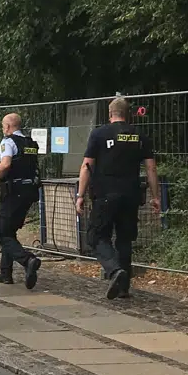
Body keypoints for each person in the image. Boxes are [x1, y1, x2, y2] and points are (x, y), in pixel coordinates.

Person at [76, 97, 161, 299]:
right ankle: (123, 287)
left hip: (105, 194)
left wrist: (80, 195)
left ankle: (114, 270)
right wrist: (155, 196)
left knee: (96, 236)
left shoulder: (99, 134)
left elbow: (86, 166)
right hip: (131, 195)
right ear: (128, 114)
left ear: (110, 114)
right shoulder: (140, 135)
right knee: (125, 238)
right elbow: (151, 168)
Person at [0, 113, 44, 289]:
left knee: (0, 232)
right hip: (29, 191)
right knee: (9, 231)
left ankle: (28, 260)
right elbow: (16, 164)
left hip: (14, 192)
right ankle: (5, 273)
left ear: (7, 127)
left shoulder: (7, 141)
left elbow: (6, 164)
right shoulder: (29, 143)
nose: (2, 129)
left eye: (2, 126)